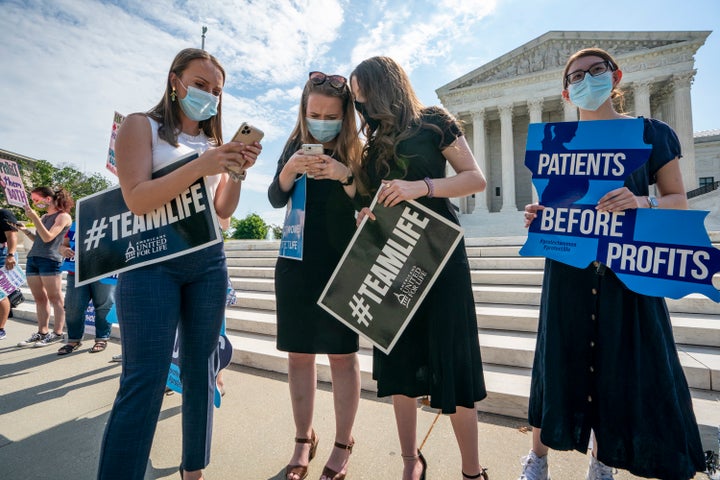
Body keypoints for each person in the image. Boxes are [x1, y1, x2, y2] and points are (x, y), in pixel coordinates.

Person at [519, 47, 705, 480]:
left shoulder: (651, 133)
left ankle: (604, 461)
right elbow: (557, 207)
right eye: (575, 76)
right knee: (556, 360)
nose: (585, 80)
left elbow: (678, 199)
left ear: (615, 76)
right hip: (569, 270)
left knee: (618, 367)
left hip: (628, 270)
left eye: (594, 71)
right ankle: (538, 458)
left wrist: (642, 200)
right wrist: (541, 217)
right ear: (566, 92)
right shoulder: (556, 144)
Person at [97, 48, 261, 480]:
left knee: (200, 373)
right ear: (175, 80)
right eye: (201, 85)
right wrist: (202, 164)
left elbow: (222, 209)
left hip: (207, 263)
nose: (209, 96)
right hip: (151, 263)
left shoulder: (211, 144)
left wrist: (236, 170)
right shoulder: (140, 126)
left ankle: (194, 469)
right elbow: (137, 197)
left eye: (217, 91)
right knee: (144, 380)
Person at [350, 56, 489, 480]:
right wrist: (365, 214)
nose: (360, 104)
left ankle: (471, 470)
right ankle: (411, 461)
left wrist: (420, 187)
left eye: (363, 93)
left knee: (455, 359)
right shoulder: (371, 144)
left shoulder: (434, 121)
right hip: (392, 256)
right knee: (399, 361)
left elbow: (474, 179)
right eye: (356, 99)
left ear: (384, 85)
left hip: (440, 252)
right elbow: (370, 198)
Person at [268, 70, 363, 480]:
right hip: (295, 262)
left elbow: (370, 197)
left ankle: (344, 442)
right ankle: (303, 438)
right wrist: (290, 170)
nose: (322, 121)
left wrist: (344, 175)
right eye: (314, 114)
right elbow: (275, 197)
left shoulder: (358, 148)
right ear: (304, 112)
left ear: (346, 115)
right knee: (298, 356)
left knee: (342, 356)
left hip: (342, 263)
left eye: (331, 115)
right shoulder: (293, 144)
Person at [16, 187, 73, 348]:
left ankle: (57, 333)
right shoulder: (44, 216)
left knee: (55, 298)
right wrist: (26, 231)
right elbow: (39, 239)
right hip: (33, 258)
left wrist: (34, 218)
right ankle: (42, 332)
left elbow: (49, 238)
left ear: (48, 199)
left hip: (50, 259)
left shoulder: (63, 217)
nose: (35, 203)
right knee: (39, 298)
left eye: (36, 199)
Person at [56, 221, 116, 355]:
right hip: (76, 272)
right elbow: (63, 245)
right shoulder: (76, 224)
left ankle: (102, 338)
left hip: (104, 271)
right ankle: (73, 340)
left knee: (104, 305)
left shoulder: (113, 220)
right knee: (73, 306)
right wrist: (64, 250)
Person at [0, 208, 19, 340]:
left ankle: (1, 329)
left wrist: (10, 254)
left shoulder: (4, 214)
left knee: (0, 293)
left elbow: (12, 235)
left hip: (3, 253)